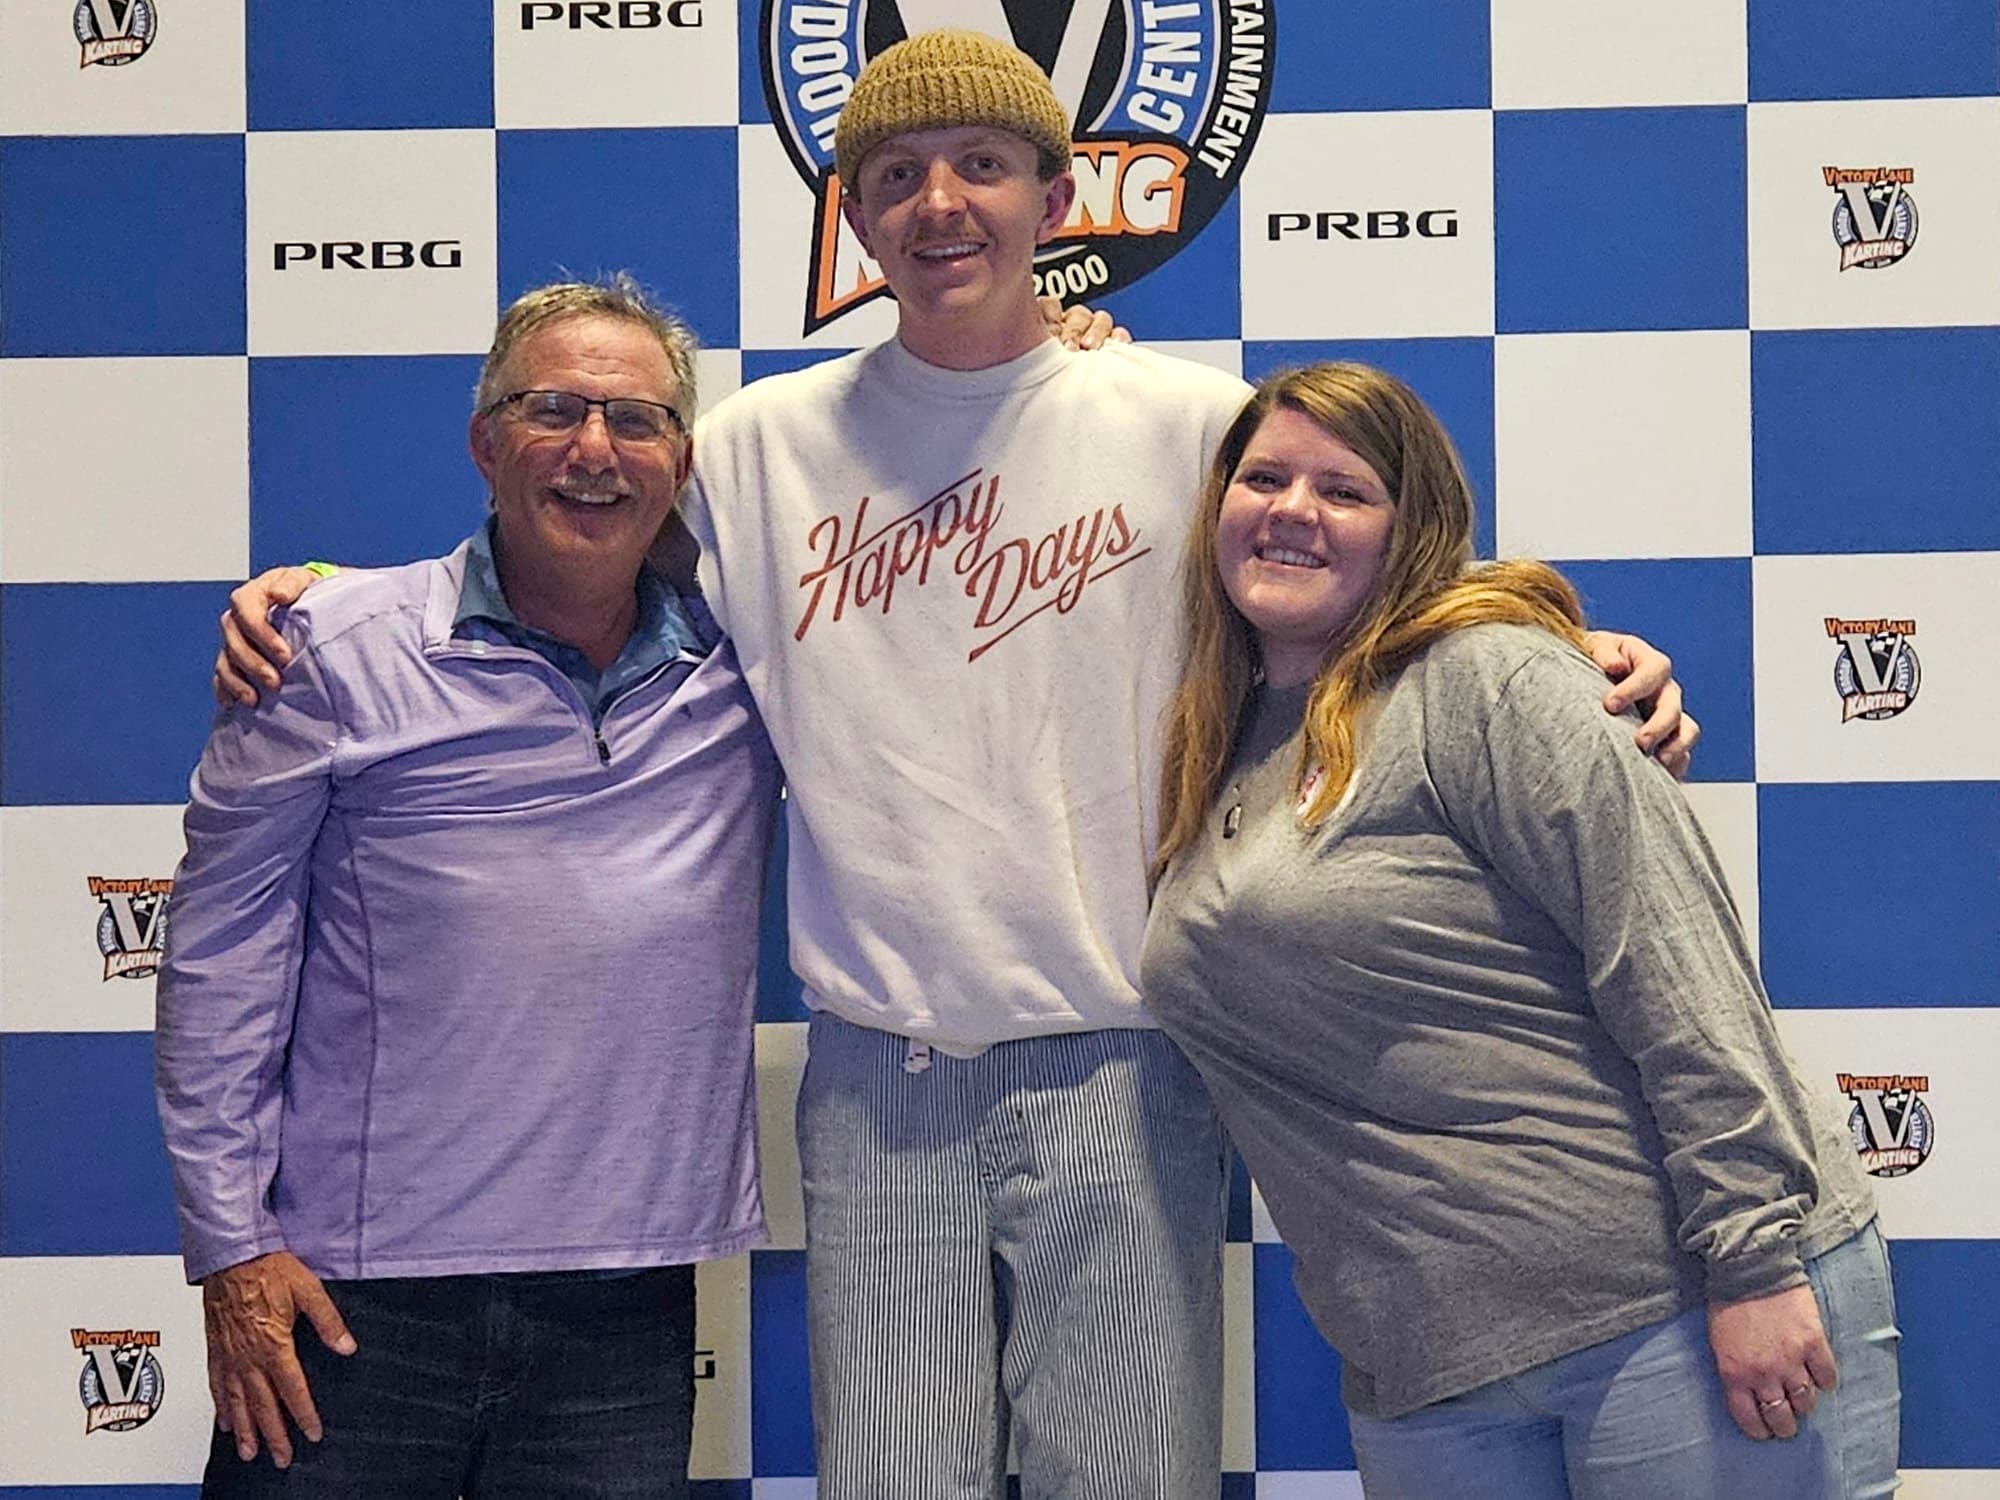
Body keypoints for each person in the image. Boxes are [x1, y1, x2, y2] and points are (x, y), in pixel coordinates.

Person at [209, 32, 1697, 1500]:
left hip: (1129, 1056)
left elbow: (1376, 581)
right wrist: (323, 592)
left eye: (984, 168)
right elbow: (561, 543)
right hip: (876, 1078)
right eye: (900, 173)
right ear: (850, 213)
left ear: (1060, 204)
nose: (942, 205)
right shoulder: (751, 447)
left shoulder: (1188, 423)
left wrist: (1575, 653)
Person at [1140, 362, 1899, 1500]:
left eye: (1343, 491)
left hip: (1671, 1314)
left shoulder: (1488, 679)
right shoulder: (1220, 741)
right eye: (1263, 477)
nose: (1293, 510)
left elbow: (1674, 966)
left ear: (1413, 530)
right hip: (1429, 1369)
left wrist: (1749, 1258)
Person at [156, 277, 779, 1499]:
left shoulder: (758, 665)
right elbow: (218, 957)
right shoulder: (327, 648)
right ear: (485, 443)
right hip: (349, 1302)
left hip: (627, 1308)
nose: (595, 449)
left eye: (636, 420)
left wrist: (1063, 348)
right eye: (556, 409)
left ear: (680, 462)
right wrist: (232, 1245)